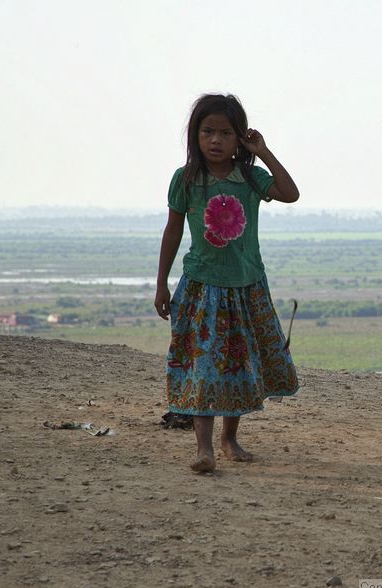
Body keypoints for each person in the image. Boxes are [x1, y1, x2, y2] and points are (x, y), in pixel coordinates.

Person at [155, 93, 300, 473]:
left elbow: (290, 193)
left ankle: (229, 438)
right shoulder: (186, 179)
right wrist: (161, 284)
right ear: (195, 136)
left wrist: (263, 153)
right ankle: (204, 449)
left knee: (239, 364)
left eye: (225, 133)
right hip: (201, 286)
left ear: (240, 138)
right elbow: (172, 232)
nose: (215, 140)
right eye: (207, 132)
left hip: (246, 286)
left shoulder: (250, 178)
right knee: (203, 366)